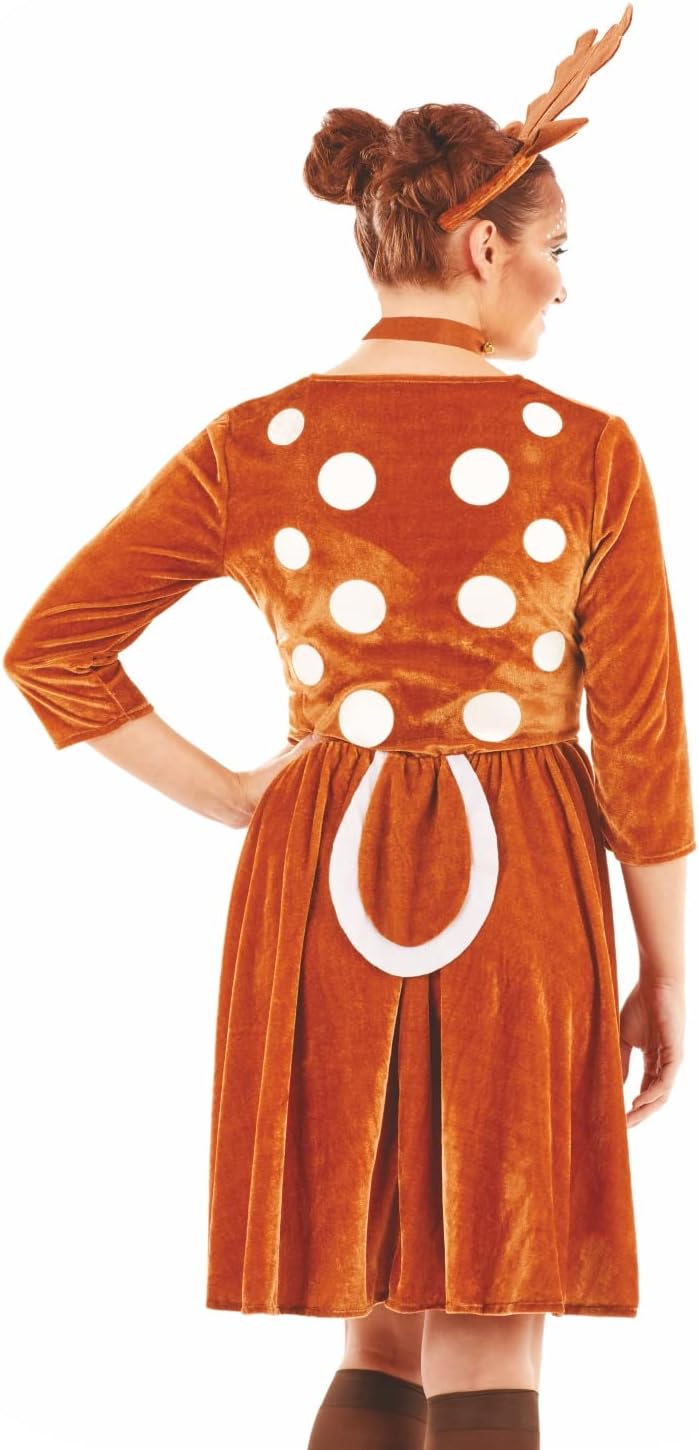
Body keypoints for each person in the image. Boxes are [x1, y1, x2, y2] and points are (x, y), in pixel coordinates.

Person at [4, 8, 695, 1448]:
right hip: (523, 886)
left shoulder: (258, 440)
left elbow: (53, 646)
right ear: (485, 247)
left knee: (381, 1308)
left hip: (322, 880)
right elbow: (644, 752)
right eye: (557, 252)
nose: (563, 287)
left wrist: (241, 795)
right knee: (493, 1293)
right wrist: (668, 975)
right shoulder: (587, 450)